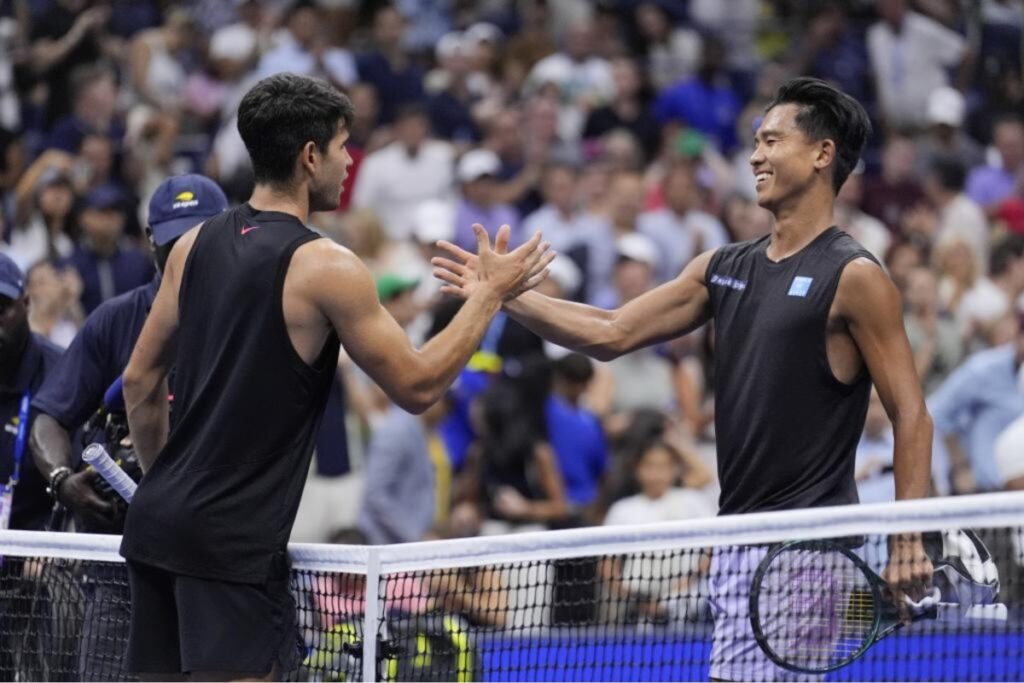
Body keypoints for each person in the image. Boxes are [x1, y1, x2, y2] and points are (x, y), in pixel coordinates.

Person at [434, 77, 934, 681]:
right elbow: (612, 330)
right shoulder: (724, 268)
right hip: (736, 540)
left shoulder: (853, 275)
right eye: (755, 141)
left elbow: (911, 413)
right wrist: (504, 296)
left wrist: (908, 538)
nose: (755, 155)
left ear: (822, 154)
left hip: (806, 543)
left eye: (772, 140)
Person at [119, 73, 550, 680]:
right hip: (230, 546)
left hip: (157, 527)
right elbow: (419, 386)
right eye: (344, 146)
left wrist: (166, 481)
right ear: (310, 155)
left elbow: (140, 382)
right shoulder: (327, 265)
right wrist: (488, 295)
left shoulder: (190, 246)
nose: (350, 163)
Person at [29, 174, 229, 682]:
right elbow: (52, 414)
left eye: (199, 241)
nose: (185, 256)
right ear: (150, 241)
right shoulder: (116, 319)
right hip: (119, 563)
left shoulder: (252, 319)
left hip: (218, 565)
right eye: (174, 243)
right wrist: (60, 479)